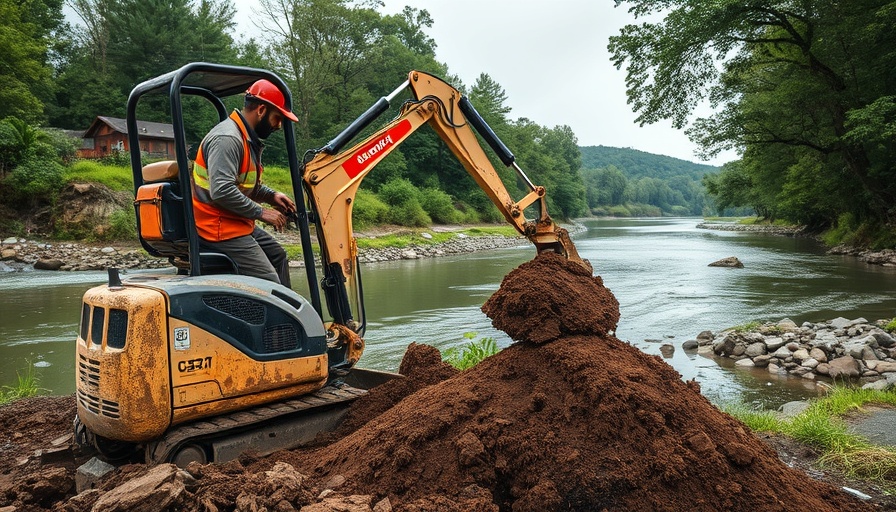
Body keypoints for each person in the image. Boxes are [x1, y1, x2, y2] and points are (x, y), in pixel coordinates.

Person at [191, 79, 298, 287]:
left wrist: (271, 196)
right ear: (261, 110)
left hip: (234, 221)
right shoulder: (228, 138)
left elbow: (242, 185)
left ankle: (290, 308)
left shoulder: (244, 138)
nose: (278, 125)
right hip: (217, 227)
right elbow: (222, 190)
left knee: (278, 256)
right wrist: (262, 212)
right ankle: (275, 306)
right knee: (269, 282)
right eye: (277, 118)